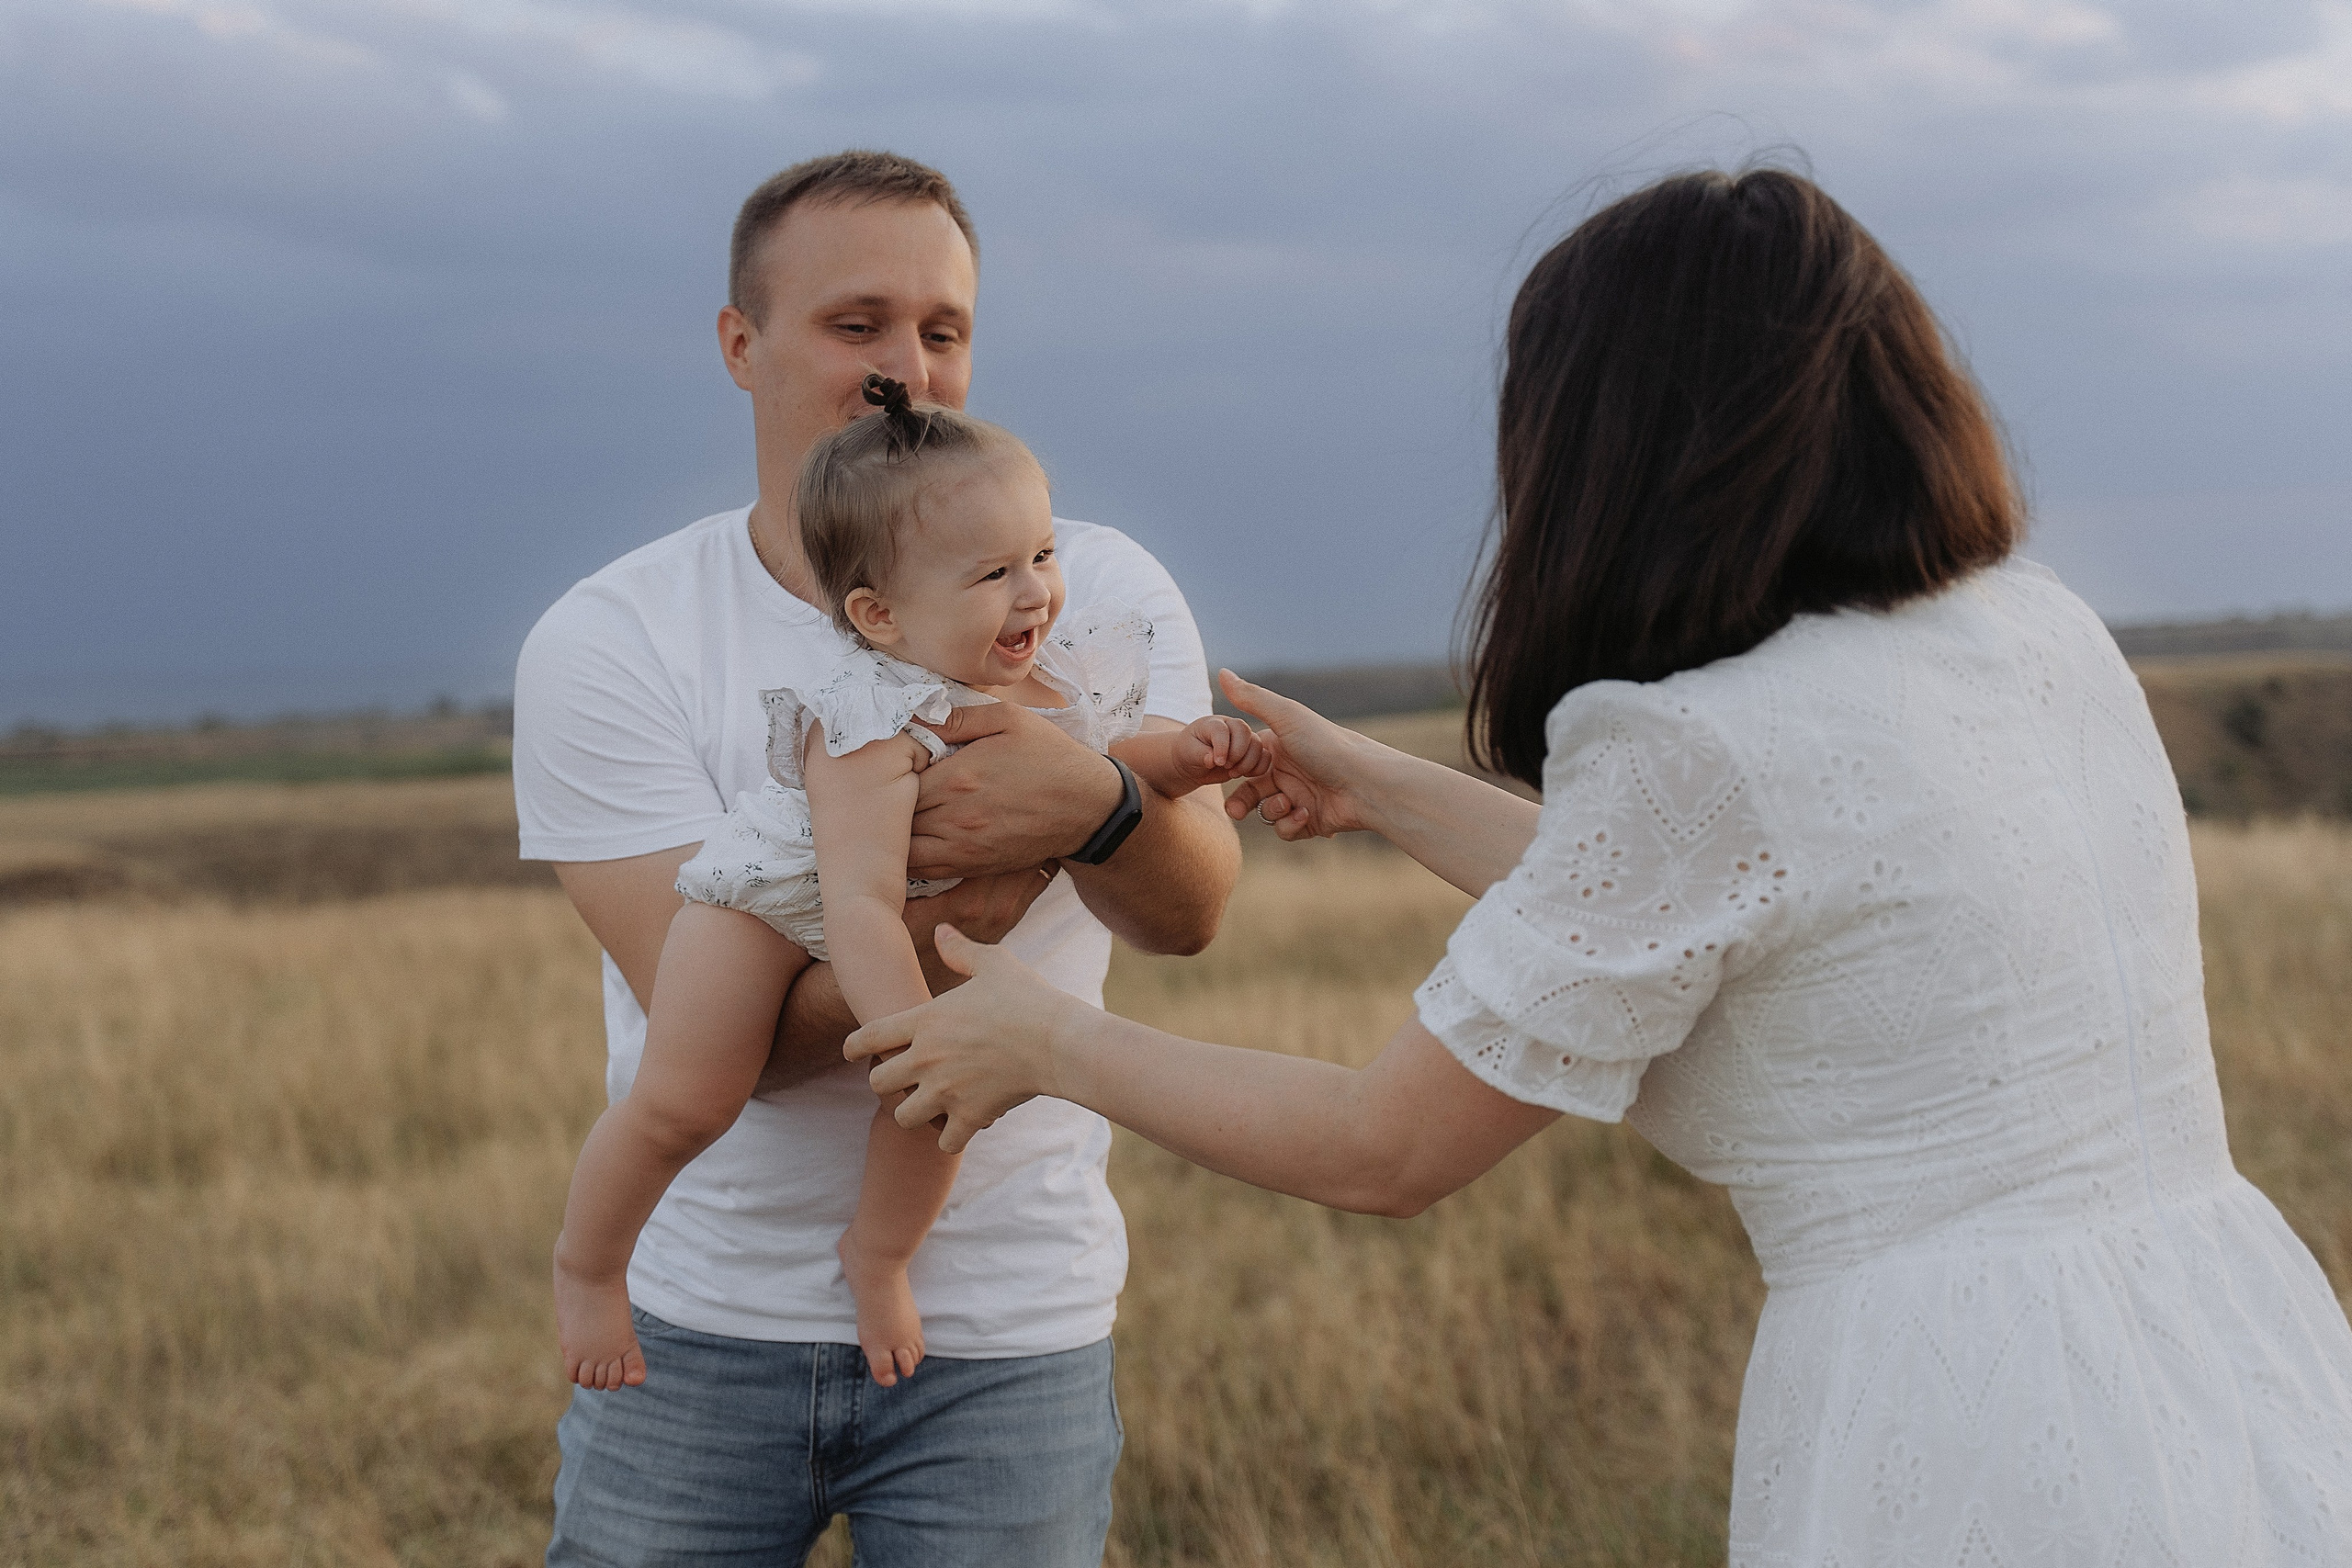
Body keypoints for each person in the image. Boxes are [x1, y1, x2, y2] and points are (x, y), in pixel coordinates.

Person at [850, 169, 2352, 1564]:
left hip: (1953, 1406)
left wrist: (1050, 1038)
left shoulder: (1707, 745)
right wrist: (1372, 782)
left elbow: (1385, 1147)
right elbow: (1731, 905)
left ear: (1614, 442)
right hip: (2228, 1327)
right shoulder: (2040, 630)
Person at [514, 152, 1241, 1566]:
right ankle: (581, 1261)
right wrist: (997, 876)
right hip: (702, 1326)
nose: (907, 362)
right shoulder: (614, 635)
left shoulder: (1078, 587)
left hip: (1010, 1321)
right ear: (742, 343)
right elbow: (738, 1030)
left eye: (943, 329)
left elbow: (1192, 910)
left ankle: (882, 1250)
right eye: (857, 324)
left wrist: (1115, 796)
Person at [552, 376, 1270, 1396]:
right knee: (686, 1100)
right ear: (878, 613)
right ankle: (588, 1267)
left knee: (943, 1109)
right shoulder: (862, 721)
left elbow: (1111, 753)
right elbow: (852, 901)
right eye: (992, 574)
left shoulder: (1045, 673)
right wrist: (905, 1032)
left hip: (897, 916)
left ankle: (878, 1256)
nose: (1035, 595)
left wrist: (1190, 757)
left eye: (1042, 557)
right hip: (770, 904)